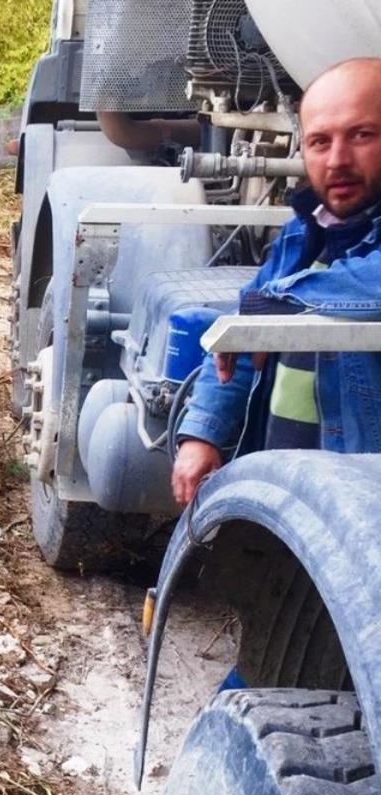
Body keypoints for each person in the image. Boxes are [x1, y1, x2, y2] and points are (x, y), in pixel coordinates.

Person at [172, 57, 381, 506]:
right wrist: (202, 434)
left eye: (362, 135)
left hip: (360, 507)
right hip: (284, 493)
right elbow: (246, 332)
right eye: (320, 142)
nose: (338, 160)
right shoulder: (302, 232)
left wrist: (269, 305)